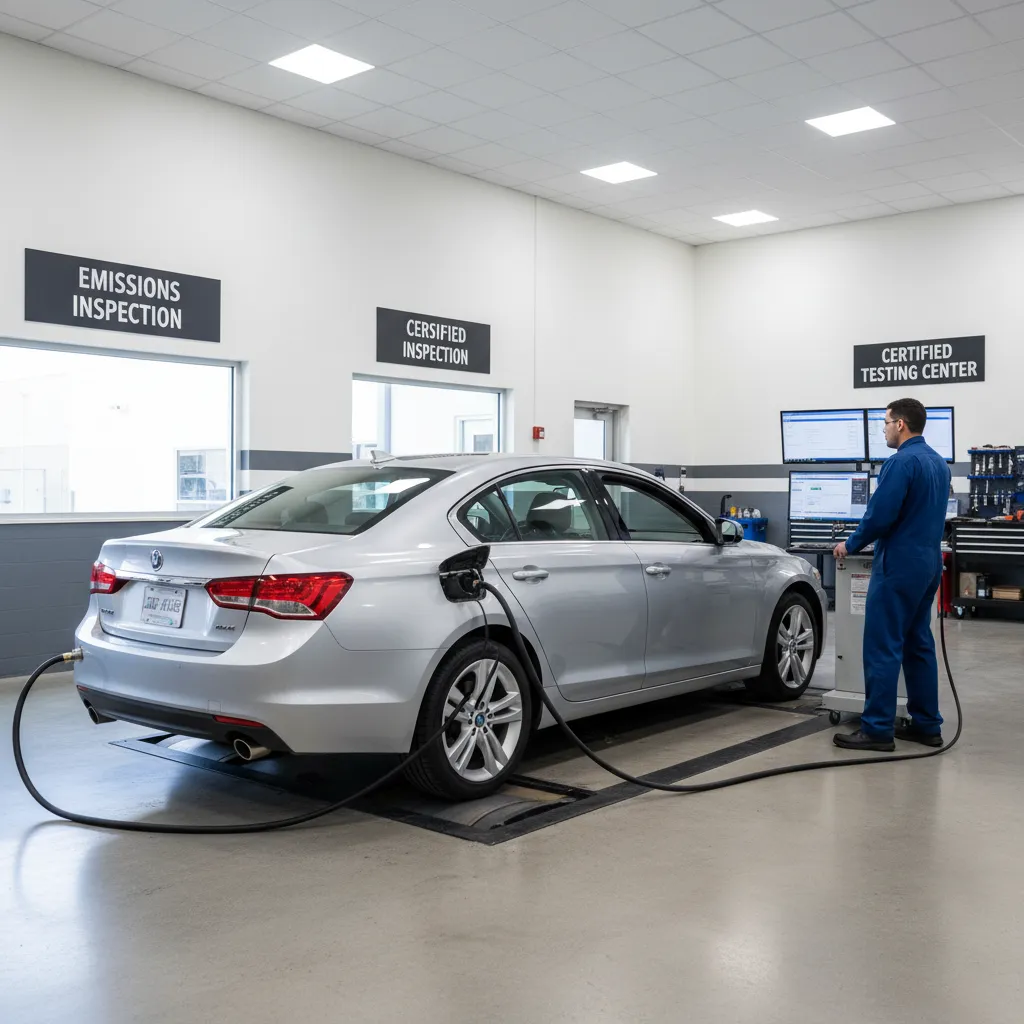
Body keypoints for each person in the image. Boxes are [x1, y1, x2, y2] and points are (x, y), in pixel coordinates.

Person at [832, 398, 951, 751]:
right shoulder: (938, 463)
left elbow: (880, 516)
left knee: (882, 646)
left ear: (900, 424)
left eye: (885, 423)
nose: (883, 430)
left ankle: (877, 729)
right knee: (918, 644)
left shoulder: (900, 463)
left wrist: (850, 544)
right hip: (928, 563)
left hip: (898, 564)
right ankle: (927, 726)